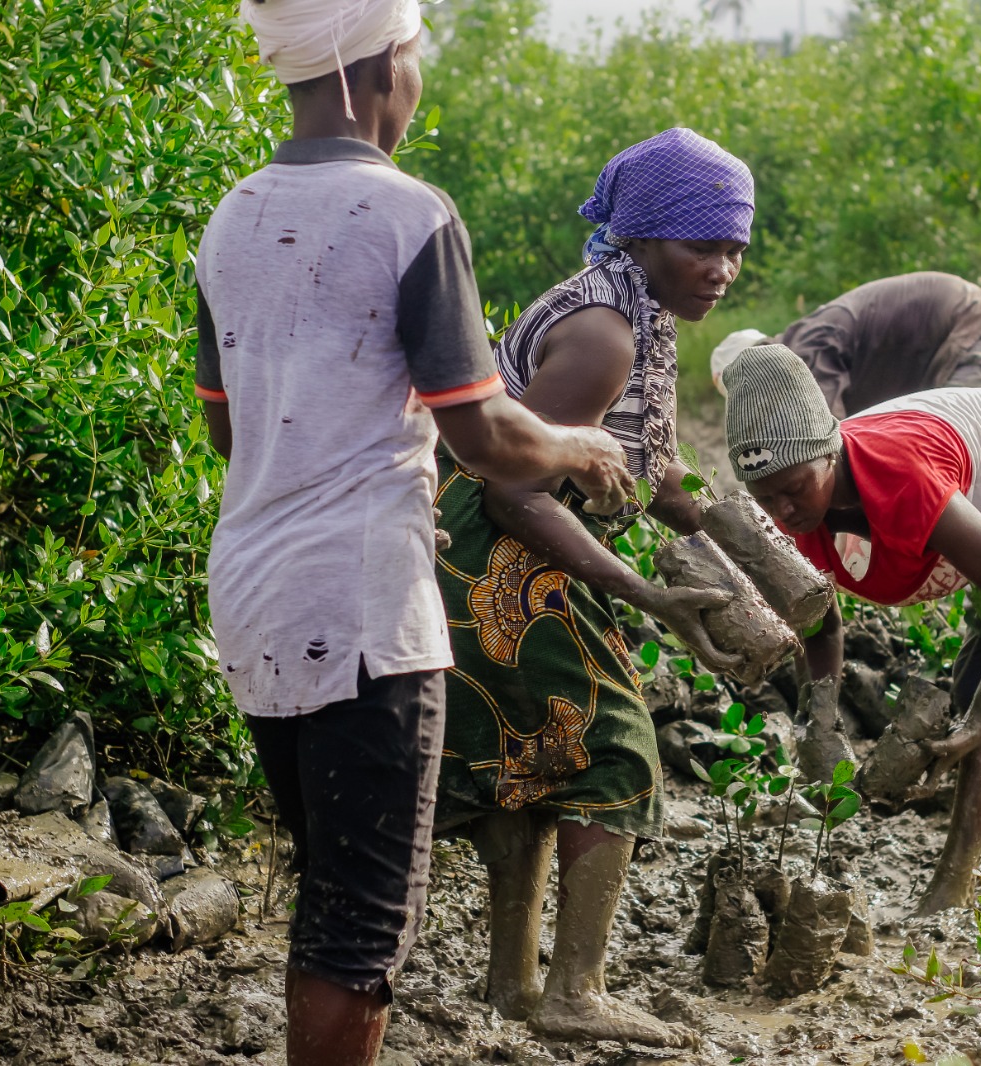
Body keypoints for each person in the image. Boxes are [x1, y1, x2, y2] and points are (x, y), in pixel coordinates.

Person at [194, 3, 634, 1063]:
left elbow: (226, 424)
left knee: (331, 892)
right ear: (382, 65)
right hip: (358, 609)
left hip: (253, 594)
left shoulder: (232, 216)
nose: (417, 77)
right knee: (361, 925)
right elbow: (484, 436)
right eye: (417, 56)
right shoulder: (408, 215)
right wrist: (584, 450)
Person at [433, 127, 754, 1048]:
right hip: (500, 556)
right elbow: (512, 486)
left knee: (535, 757)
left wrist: (732, 534)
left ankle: (512, 985)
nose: (722, 268)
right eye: (703, 247)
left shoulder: (630, 310)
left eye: (735, 248)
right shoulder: (605, 333)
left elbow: (641, 467)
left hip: (514, 553)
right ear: (645, 238)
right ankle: (574, 989)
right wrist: (648, 596)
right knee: (615, 752)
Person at [721, 344, 981, 919]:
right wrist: (820, 718)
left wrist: (976, 723)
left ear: (829, 454)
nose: (783, 510)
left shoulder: (898, 477)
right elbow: (821, 620)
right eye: (766, 498)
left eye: (795, 488)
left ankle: (953, 885)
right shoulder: (798, 509)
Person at [710, 271, 981, 417]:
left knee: (940, 444)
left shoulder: (805, 349)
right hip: (978, 330)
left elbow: (828, 436)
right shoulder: (807, 342)